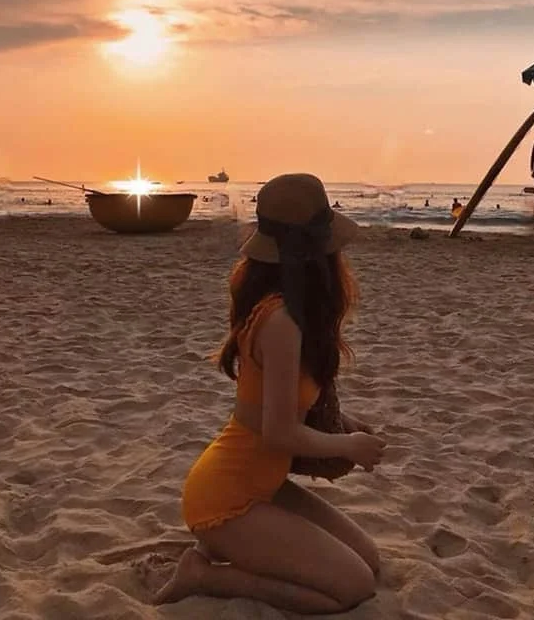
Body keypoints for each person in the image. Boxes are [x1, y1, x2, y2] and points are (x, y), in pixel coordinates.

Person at [147, 173, 386, 614]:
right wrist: (346, 445)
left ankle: (230, 554)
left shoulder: (291, 313)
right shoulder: (280, 323)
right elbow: (278, 432)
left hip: (262, 484)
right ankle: (205, 575)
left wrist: (346, 425)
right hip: (226, 499)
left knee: (369, 563)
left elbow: (280, 409)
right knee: (353, 587)